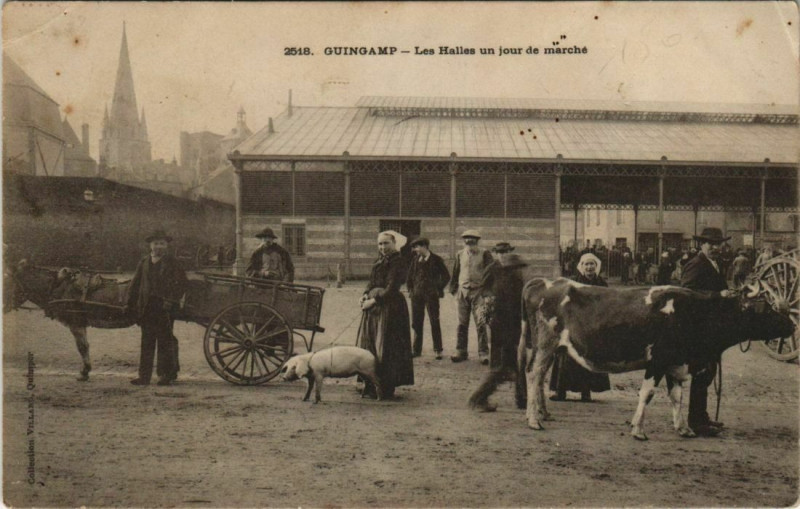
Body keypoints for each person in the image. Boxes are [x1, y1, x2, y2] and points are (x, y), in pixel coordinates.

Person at [681, 227, 735, 437]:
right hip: (697, 328)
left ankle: (702, 417)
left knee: (708, 372)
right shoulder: (695, 264)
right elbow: (687, 292)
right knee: (702, 372)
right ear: (701, 244)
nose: (715, 247)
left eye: (718, 243)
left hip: (710, 328)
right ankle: (696, 421)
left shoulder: (713, 263)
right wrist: (717, 295)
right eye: (710, 244)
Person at [357, 230, 414, 398]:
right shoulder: (379, 261)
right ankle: (370, 384)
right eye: (380, 244)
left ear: (395, 244)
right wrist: (365, 294)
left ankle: (386, 387)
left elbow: (392, 288)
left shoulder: (399, 262)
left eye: (386, 243)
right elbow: (372, 282)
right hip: (374, 308)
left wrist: (373, 301)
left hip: (391, 308)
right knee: (370, 344)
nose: (382, 247)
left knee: (387, 346)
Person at [126, 230, 187, 386]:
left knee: (165, 340)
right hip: (147, 307)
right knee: (147, 341)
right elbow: (135, 284)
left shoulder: (173, 262)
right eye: (156, 243)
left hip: (164, 308)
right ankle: (144, 376)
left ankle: (164, 374)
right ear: (150, 245)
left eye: (162, 243)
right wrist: (129, 303)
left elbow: (182, 283)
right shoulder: (144, 262)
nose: (159, 246)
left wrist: (171, 300)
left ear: (166, 246)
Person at [549, 253, 611, 402]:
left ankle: (586, 392)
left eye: (592, 264)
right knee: (566, 356)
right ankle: (560, 391)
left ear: (596, 267)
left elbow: (608, 305)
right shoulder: (573, 283)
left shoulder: (602, 284)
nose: (589, 267)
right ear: (581, 266)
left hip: (593, 327)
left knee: (588, 358)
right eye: (586, 264)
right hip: (575, 325)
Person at [448, 229, 494, 364]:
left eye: (472, 241)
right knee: (461, 324)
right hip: (463, 292)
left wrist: (487, 293)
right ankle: (461, 351)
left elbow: (490, 274)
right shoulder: (459, 254)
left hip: (478, 292)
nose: (469, 243)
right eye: (467, 241)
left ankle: (483, 353)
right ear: (464, 242)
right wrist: (454, 290)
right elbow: (455, 273)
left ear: (477, 242)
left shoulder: (485, 254)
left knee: (481, 323)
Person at [406, 237, 450, 360]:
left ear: (425, 246)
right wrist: (411, 290)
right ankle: (416, 350)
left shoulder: (436, 260)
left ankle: (438, 350)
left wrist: (438, 288)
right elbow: (409, 277)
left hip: (432, 296)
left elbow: (446, 276)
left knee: (434, 321)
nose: (415, 250)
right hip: (417, 296)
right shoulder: (415, 260)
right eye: (414, 248)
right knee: (416, 322)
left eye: (417, 247)